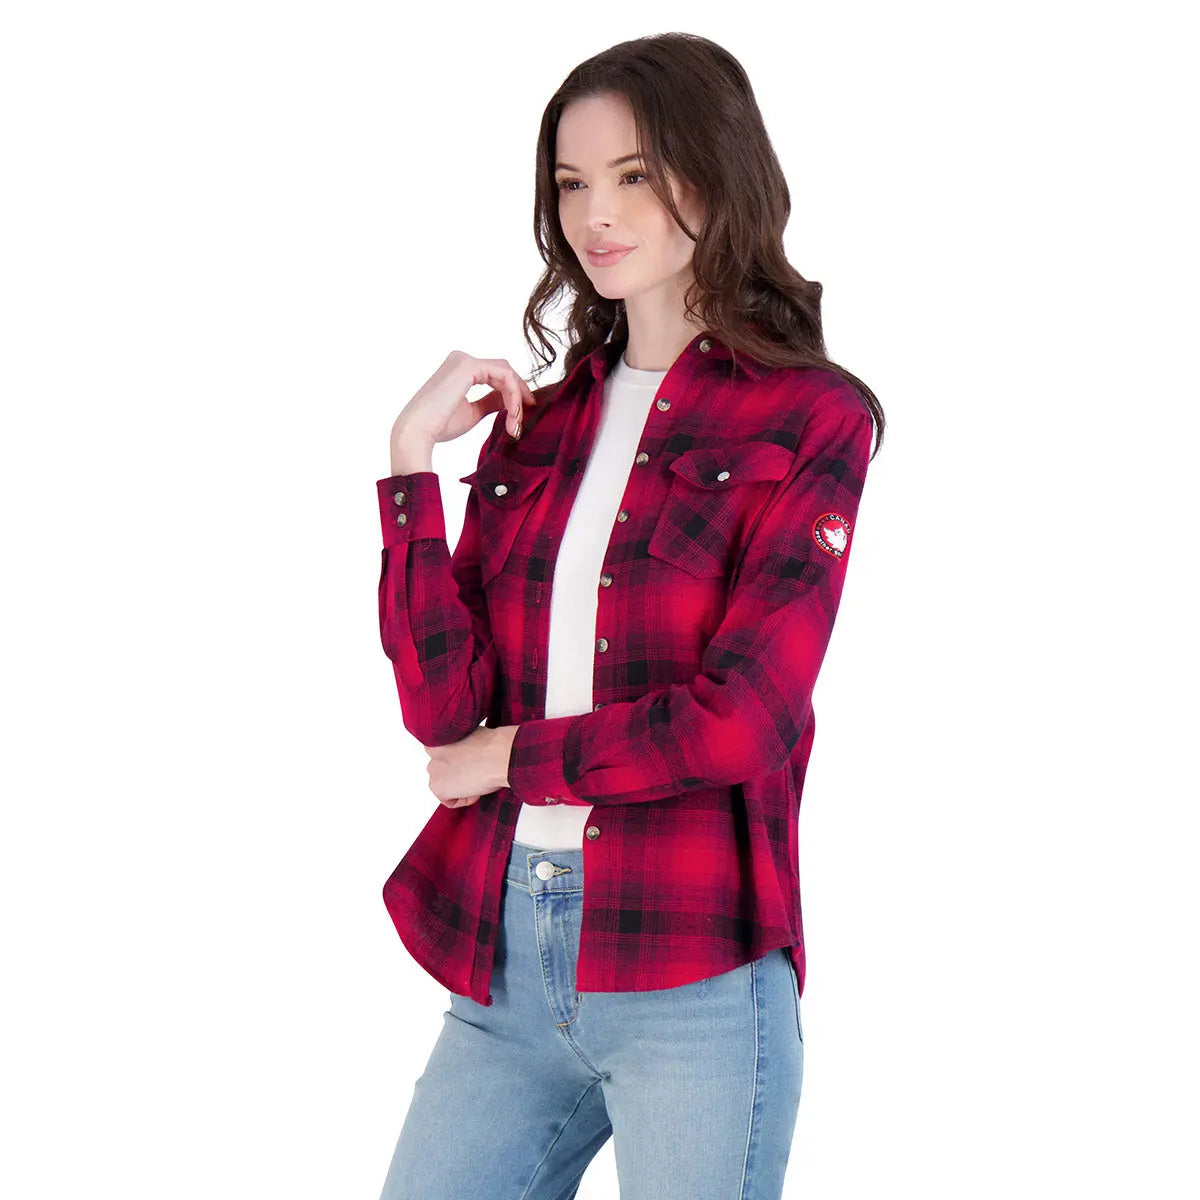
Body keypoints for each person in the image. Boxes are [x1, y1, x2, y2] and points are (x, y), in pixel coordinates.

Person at [373, 32, 885, 1200]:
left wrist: (513, 758)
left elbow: (738, 721)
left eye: (635, 175)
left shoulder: (810, 419)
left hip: (695, 974)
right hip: (505, 963)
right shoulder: (539, 427)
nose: (596, 214)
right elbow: (443, 715)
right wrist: (409, 470)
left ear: (716, 172)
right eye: (572, 183)